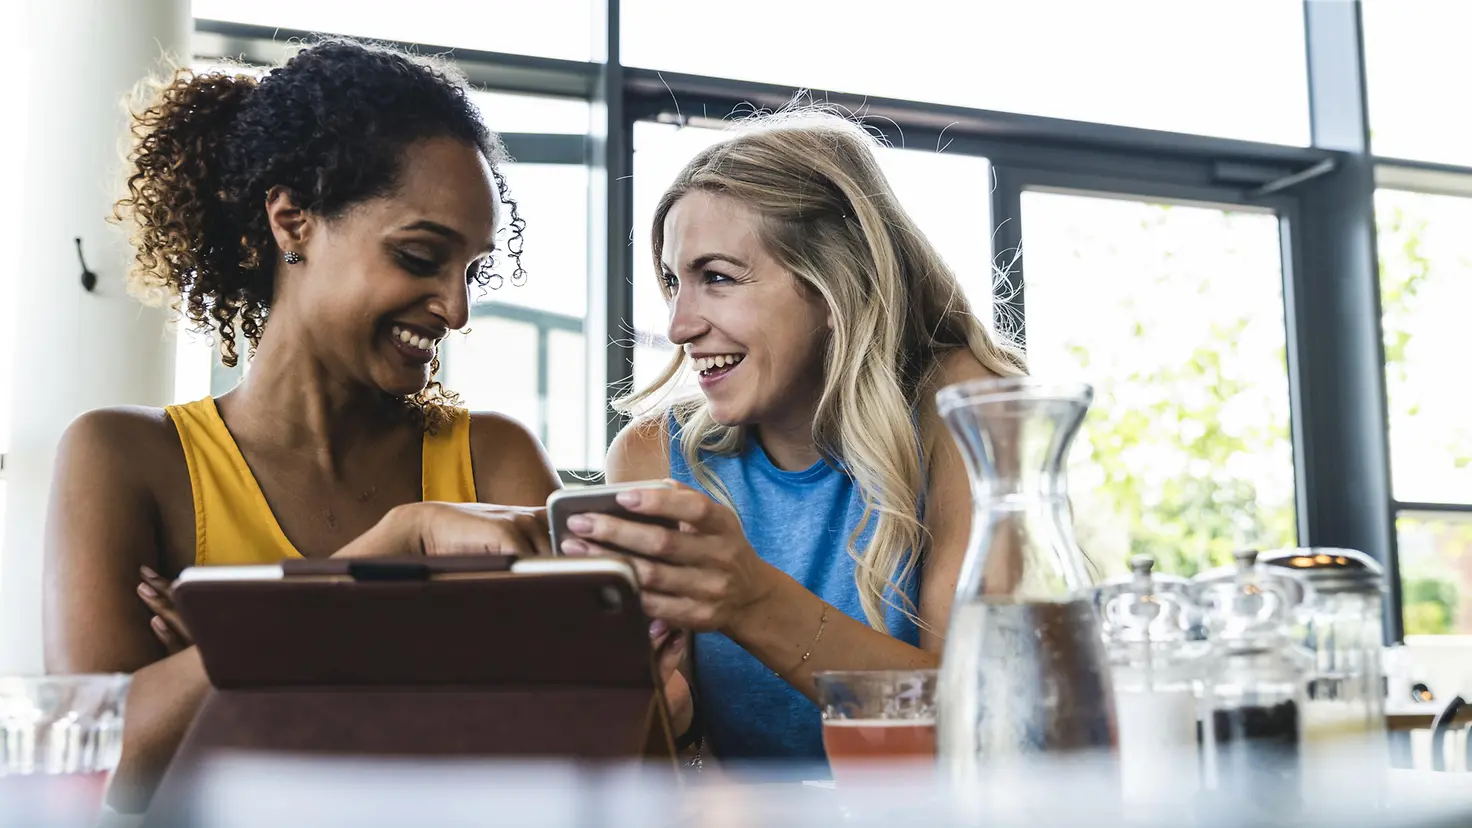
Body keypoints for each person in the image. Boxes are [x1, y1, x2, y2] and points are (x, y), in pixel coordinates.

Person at [43, 40, 567, 812]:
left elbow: (559, 749)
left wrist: (235, 643)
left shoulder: (493, 460)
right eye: (422, 256)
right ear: (293, 221)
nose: (456, 309)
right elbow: (104, 770)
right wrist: (390, 555)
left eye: (472, 272)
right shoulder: (125, 456)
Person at [560, 107, 1029, 765]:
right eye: (673, 281)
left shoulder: (963, 409)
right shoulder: (650, 458)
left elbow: (987, 716)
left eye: (717, 278)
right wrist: (672, 718)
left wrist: (752, 601)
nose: (678, 326)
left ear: (835, 286)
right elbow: (675, 763)